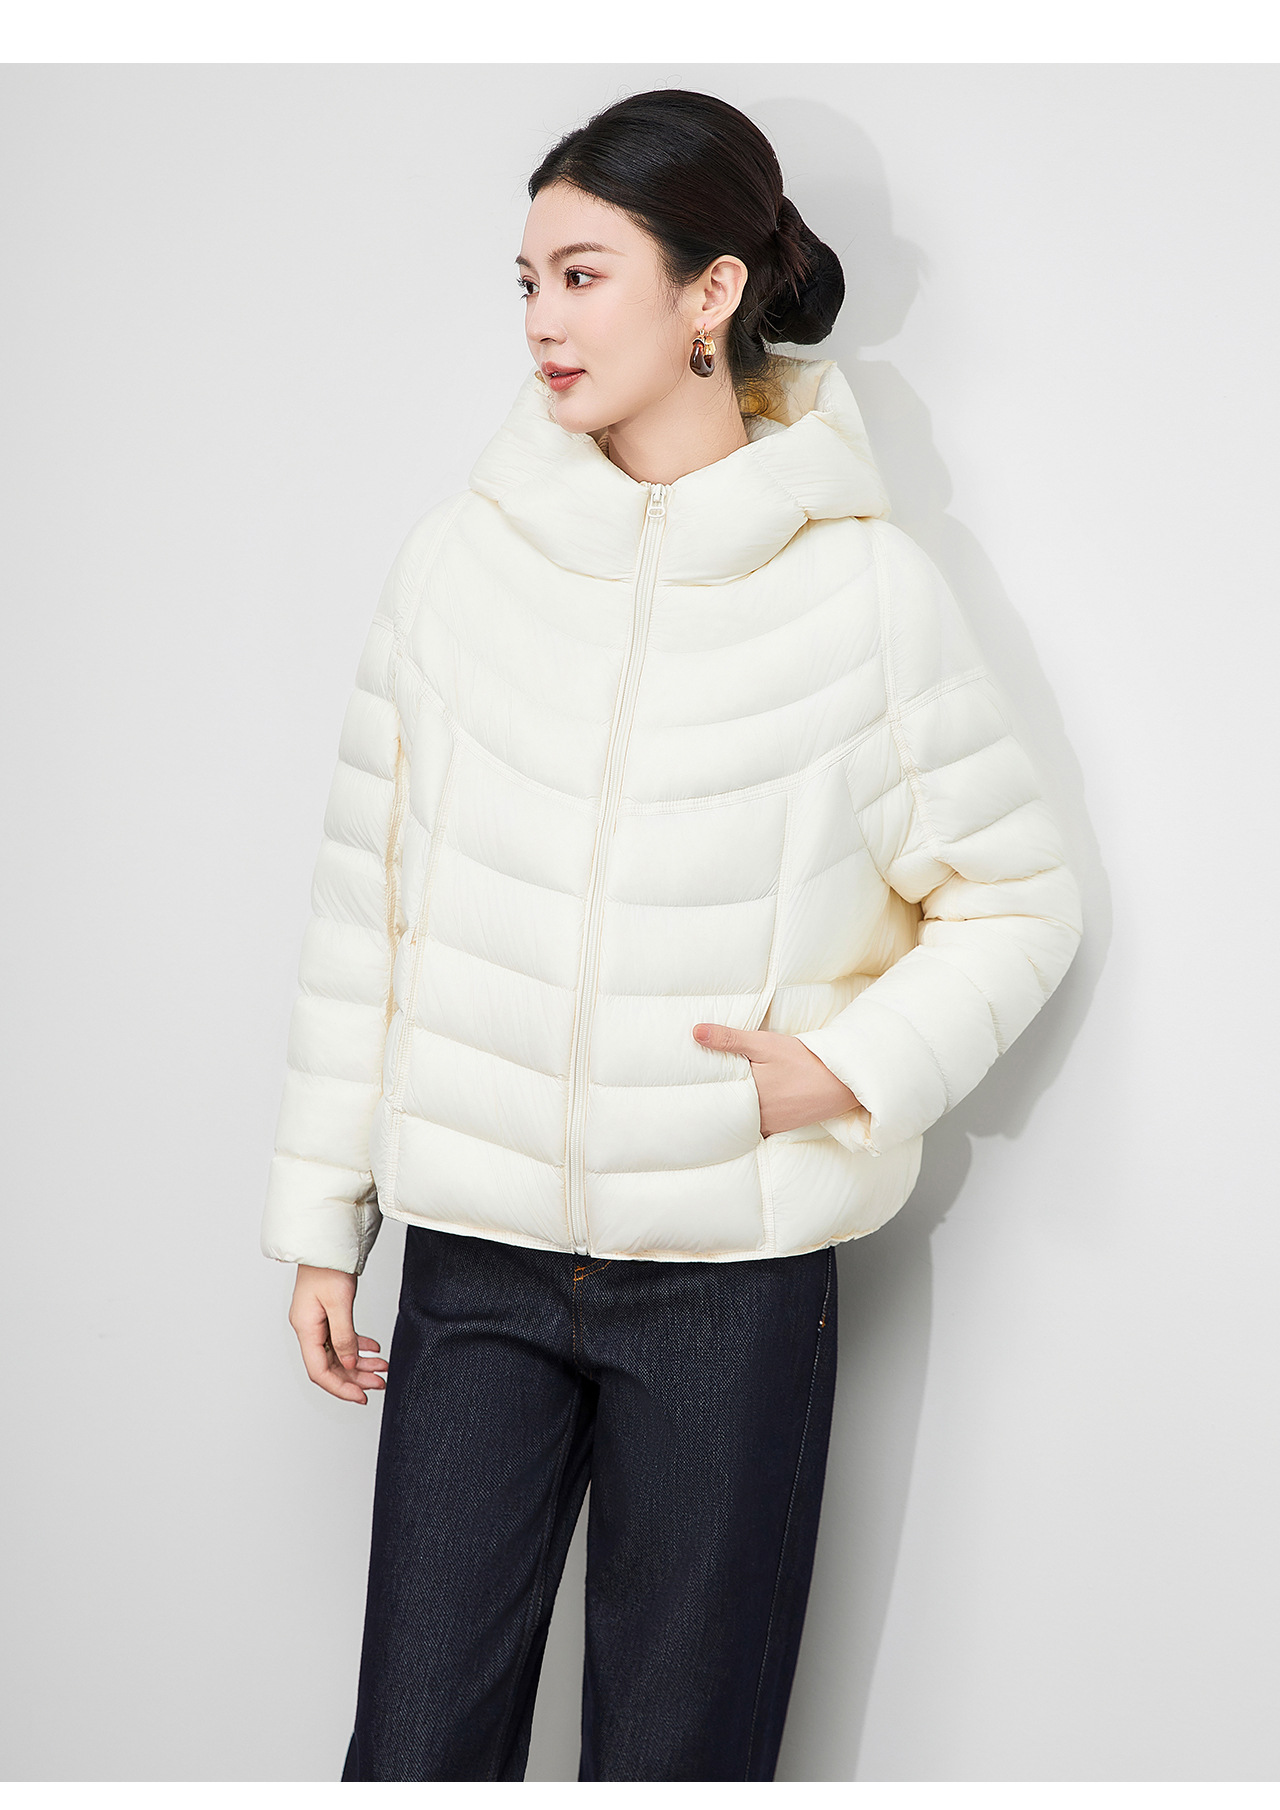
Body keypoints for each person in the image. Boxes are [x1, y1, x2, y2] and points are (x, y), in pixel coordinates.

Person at [260, 88, 1083, 1783]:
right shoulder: (456, 569)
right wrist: (322, 1215)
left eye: (584, 274)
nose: (544, 321)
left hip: (732, 1282)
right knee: (413, 1748)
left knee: (679, 1755)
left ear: (712, 293)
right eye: (528, 281)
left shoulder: (863, 596)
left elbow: (1021, 893)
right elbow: (367, 902)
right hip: (476, 1262)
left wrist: (847, 1068)